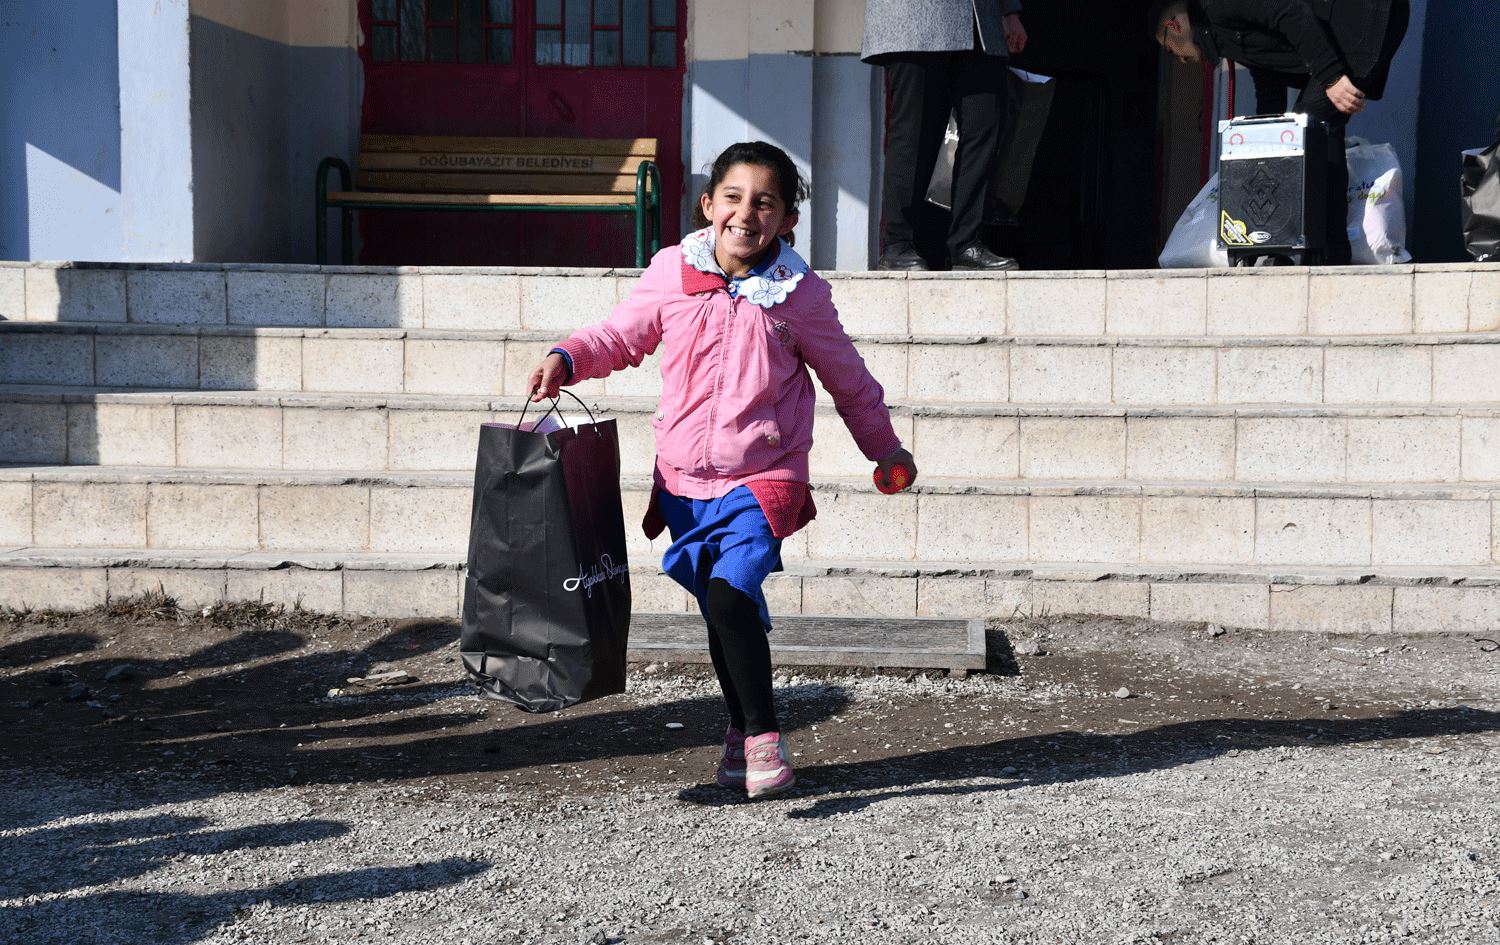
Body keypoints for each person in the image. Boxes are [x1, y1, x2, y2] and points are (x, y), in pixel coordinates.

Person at [528, 142, 918, 800]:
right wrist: (568, 357)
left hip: (763, 478)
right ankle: (739, 733)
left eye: (765, 202)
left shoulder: (800, 296)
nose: (747, 213)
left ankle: (764, 736)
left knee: (733, 594)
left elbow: (849, 382)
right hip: (682, 483)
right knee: (718, 607)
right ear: (709, 205)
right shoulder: (671, 274)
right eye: (733, 197)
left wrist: (885, 449)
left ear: (787, 219)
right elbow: (619, 335)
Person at [1150, 0, 1410, 264]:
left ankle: (1328, 253)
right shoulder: (1223, 39)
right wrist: (1261, 141)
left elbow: (1289, 11)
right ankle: (1309, 250)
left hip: (1365, 18)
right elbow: (1268, 83)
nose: (1181, 59)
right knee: (1307, 131)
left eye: (1171, 50)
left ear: (1174, 25)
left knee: (1311, 129)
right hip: (1347, 35)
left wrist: (1331, 76)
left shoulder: (1217, 7)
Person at [863, 0, 1028, 271]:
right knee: (913, 135)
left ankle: (966, 244)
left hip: (980, 21)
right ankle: (897, 245)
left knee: (982, 129)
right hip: (914, 18)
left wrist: (1009, 11)